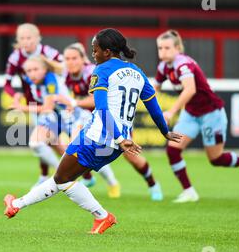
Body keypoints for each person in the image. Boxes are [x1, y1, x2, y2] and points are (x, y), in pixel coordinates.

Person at [3, 28, 181, 234]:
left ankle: (102, 216)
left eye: (95, 50)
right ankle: (16, 204)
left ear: (107, 51)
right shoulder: (137, 72)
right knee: (63, 178)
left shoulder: (102, 71)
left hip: (97, 136)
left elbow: (102, 109)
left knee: (62, 179)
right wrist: (164, 131)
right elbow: (153, 106)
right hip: (115, 144)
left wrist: (120, 137)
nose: (93, 54)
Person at [154, 30, 239, 203]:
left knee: (216, 159)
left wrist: (171, 112)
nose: (163, 52)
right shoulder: (163, 67)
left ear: (178, 48)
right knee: (173, 149)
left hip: (211, 113)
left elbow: (190, 89)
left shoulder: (183, 64)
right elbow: (154, 89)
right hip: (191, 114)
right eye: (160, 48)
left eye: (167, 48)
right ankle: (189, 192)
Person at [60, 42, 164, 201]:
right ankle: (92, 179)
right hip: (92, 121)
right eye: (67, 58)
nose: (70, 62)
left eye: (74, 58)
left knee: (131, 156)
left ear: (83, 59)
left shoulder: (92, 72)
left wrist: (75, 103)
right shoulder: (67, 75)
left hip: (113, 120)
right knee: (77, 145)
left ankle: (152, 183)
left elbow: (97, 102)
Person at [3, 23, 64, 186]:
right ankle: (57, 175)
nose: (26, 41)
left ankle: (62, 175)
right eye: (22, 38)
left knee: (42, 141)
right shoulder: (15, 57)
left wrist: (48, 63)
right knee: (49, 142)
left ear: (37, 38)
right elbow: (7, 84)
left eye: (29, 37)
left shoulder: (47, 52)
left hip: (56, 104)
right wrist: (16, 95)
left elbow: (65, 67)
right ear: (18, 40)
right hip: (35, 102)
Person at [11, 55, 84, 179]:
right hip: (56, 117)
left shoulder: (51, 80)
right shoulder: (32, 79)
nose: (32, 74)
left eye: (35, 69)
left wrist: (22, 108)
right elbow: (26, 86)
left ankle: (111, 182)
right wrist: (18, 95)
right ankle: (62, 176)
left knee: (80, 153)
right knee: (40, 144)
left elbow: (47, 108)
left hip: (71, 116)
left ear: (44, 70)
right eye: (28, 71)